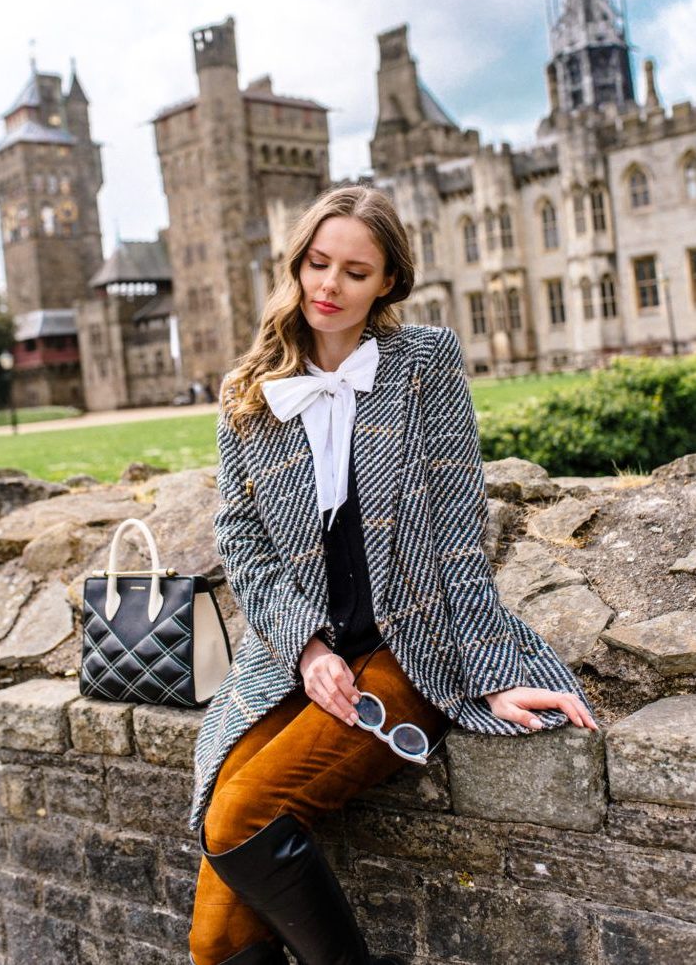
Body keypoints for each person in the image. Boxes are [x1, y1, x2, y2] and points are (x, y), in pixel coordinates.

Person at [188, 185, 597, 965]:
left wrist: (491, 676)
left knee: (240, 813)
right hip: (295, 658)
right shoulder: (248, 392)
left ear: (387, 283)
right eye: (318, 264)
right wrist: (307, 649)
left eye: (355, 272)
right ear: (296, 264)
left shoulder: (424, 363)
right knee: (214, 922)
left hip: (411, 648)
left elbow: (457, 532)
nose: (329, 286)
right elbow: (243, 543)